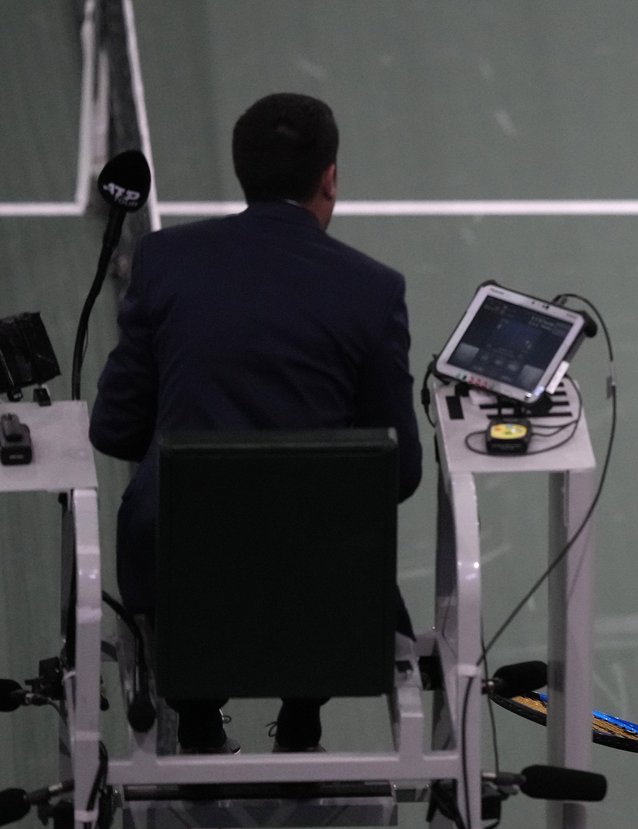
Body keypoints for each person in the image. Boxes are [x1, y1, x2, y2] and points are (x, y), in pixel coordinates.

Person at [89, 93, 422, 753]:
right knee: (334, 538)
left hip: (176, 580)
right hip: (323, 592)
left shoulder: (164, 261)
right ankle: (301, 723)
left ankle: (199, 723)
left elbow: (113, 429)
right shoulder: (373, 289)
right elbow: (401, 472)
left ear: (243, 171)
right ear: (330, 177)